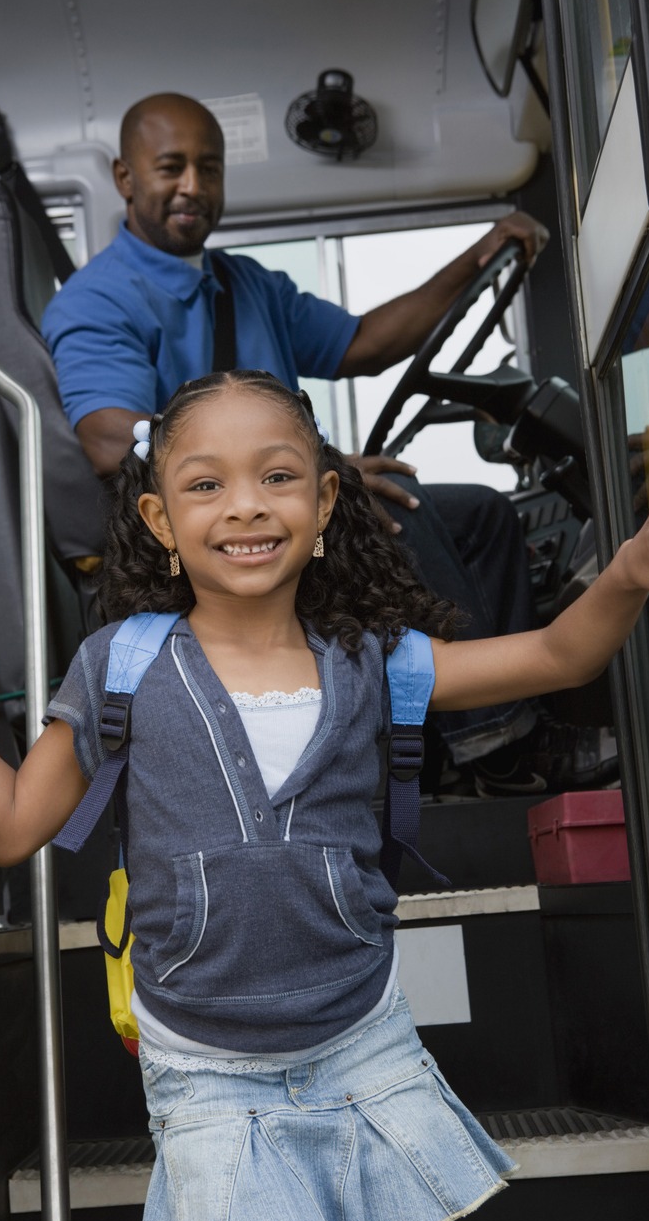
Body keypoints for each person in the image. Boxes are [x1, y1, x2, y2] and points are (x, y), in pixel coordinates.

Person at [0, 369, 649, 1221]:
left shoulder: (373, 659)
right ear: (160, 521)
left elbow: (557, 657)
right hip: (205, 1068)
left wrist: (629, 567)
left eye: (277, 477)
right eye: (206, 485)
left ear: (322, 504)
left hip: (365, 1043)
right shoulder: (120, 667)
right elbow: (10, 826)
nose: (245, 506)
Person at [41, 91, 614, 795]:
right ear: (125, 178)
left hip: (296, 506)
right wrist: (304, 474)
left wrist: (477, 256)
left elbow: (364, 343)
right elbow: (107, 437)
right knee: (396, 513)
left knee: (484, 516)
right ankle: (498, 746)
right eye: (171, 167)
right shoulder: (98, 300)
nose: (192, 185)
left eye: (208, 167)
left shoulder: (244, 284)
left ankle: (471, 746)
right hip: (208, 548)